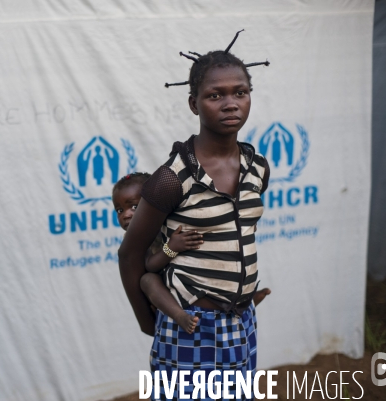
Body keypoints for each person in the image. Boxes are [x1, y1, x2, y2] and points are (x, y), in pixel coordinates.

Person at [118, 30, 272, 399]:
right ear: (193, 104)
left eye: (240, 92)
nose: (231, 103)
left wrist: (243, 293)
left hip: (241, 321)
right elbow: (130, 254)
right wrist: (149, 322)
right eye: (215, 95)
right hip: (190, 325)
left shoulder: (258, 167)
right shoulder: (172, 178)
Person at [113, 172, 203, 334]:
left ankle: (246, 300)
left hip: (187, 278)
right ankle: (180, 316)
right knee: (147, 280)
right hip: (162, 289)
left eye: (134, 206)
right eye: (119, 210)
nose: (126, 215)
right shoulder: (133, 238)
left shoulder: (170, 221)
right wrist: (171, 248)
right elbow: (150, 265)